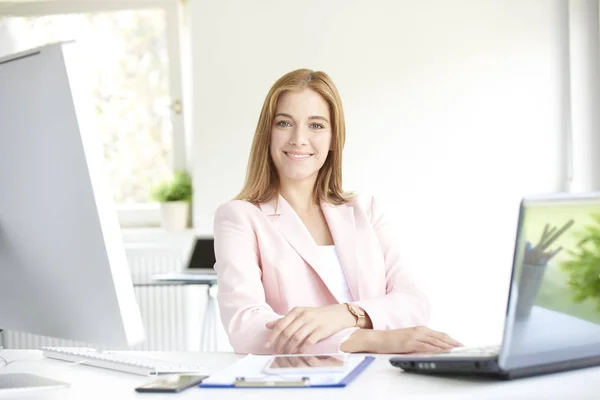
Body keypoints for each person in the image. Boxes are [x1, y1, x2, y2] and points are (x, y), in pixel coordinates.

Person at [213, 69, 461, 355]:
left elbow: (415, 303)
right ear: (267, 133)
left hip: (381, 380)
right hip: (298, 385)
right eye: (284, 123)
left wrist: (344, 314)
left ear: (333, 139)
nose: (299, 139)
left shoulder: (365, 210)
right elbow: (247, 328)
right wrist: (371, 339)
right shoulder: (239, 216)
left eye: (316, 126)